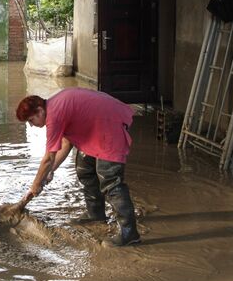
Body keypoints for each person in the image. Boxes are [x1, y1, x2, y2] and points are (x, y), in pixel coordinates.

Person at [15, 88, 140, 246]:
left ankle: (130, 233)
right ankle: (96, 214)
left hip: (109, 125)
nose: (31, 125)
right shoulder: (53, 107)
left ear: (40, 111)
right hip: (96, 127)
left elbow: (48, 158)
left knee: (110, 181)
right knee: (85, 169)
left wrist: (35, 185)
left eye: (31, 120)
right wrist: (50, 171)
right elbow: (66, 143)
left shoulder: (53, 115)